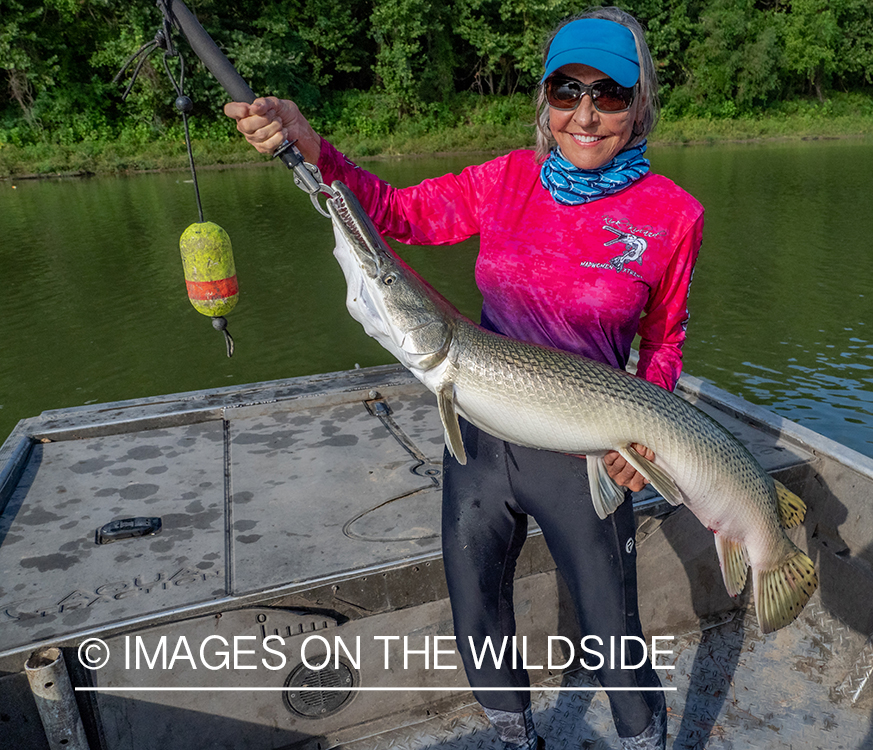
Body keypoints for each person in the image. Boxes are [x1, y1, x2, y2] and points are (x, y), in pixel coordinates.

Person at [226, 8, 703, 749]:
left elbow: (663, 342)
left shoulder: (672, 214)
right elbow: (390, 213)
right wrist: (311, 146)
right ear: (543, 101)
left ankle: (644, 742)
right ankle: (514, 735)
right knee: (475, 604)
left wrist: (643, 432)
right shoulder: (505, 181)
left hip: (583, 447)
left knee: (613, 626)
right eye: (564, 90)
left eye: (609, 95)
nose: (584, 113)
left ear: (639, 105)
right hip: (478, 437)